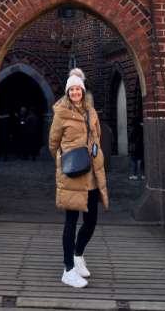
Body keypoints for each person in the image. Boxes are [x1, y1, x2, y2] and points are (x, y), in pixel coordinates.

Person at [49, 68, 109, 288]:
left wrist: (94, 152)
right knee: (71, 222)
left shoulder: (91, 112)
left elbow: (97, 136)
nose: (75, 92)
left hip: (92, 173)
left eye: (78, 89)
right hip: (73, 175)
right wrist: (63, 161)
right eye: (72, 89)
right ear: (67, 92)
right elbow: (53, 143)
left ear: (83, 91)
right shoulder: (61, 114)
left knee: (91, 220)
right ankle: (68, 270)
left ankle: (78, 254)